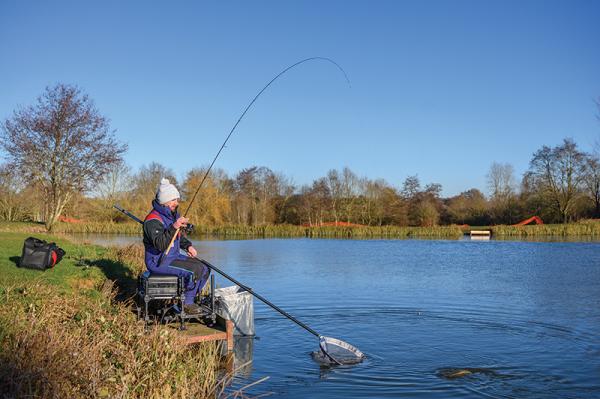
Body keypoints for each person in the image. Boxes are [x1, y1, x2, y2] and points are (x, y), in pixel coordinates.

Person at [143, 178, 209, 314]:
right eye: (173, 200)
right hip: (158, 261)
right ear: (165, 201)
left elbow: (177, 236)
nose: (176, 203)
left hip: (174, 257)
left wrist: (188, 246)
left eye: (177, 200)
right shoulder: (152, 220)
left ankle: (189, 299)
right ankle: (187, 304)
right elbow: (161, 244)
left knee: (205, 268)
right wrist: (174, 226)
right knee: (193, 271)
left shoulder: (173, 216)